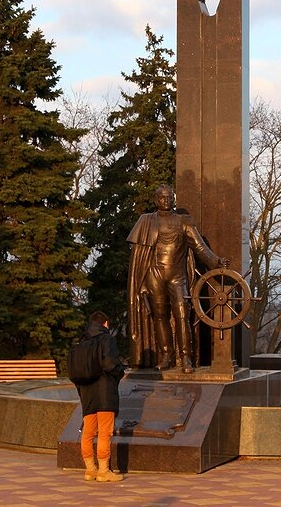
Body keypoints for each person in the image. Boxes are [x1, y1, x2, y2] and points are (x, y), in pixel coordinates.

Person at [127, 185, 228, 372]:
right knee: (160, 317)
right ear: (156, 200)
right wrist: (141, 283)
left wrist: (217, 262)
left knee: (182, 315)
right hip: (154, 274)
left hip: (177, 275)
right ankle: (166, 356)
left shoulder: (184, 221)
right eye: (162, 197)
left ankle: (186, 357)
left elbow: (199, 248)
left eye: (169, 197)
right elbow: (139, 255)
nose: (166, 200)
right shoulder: (146, 221)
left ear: (174, 199)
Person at [77, 311, 125, 482]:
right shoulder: (107, 339)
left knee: (88, 432)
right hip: (104, 391)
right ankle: (104, 471)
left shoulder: (82, 342)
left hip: (86, 392)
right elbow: (110, 363)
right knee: (105, 432)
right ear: (105, 323)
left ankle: (90, 470)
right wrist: (120, 372)